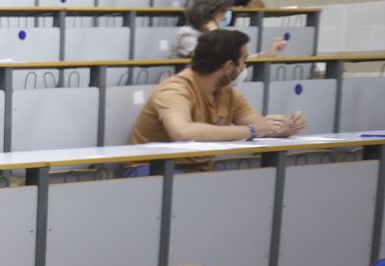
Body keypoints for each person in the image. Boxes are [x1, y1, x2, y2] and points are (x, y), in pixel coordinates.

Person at [127, 29, 306, 173]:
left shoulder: (228, 93)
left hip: (197, 167)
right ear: (229, 67)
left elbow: (258, 126)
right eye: (244, 61)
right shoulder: (174, 89)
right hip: (150, 168)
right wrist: (252, 130)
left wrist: (284, 127)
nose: (245, 67)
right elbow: (181, 132)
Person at [172, 0, 288, 60]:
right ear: (208, 12)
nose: (226, 17)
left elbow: (238, 60)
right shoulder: (186, 34)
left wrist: (269, 54)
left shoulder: (221, 34)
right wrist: (214, 31)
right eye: (223, 12)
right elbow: (207, 59)